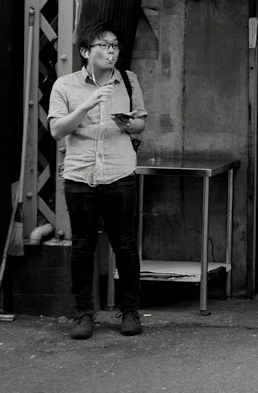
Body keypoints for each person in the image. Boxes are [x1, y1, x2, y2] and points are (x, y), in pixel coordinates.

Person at [46, 23, 148, 339]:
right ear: (85, 52)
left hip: (119, 173)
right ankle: (83, 314)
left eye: (115, 46)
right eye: (103, 46)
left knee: (126, 246)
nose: (111, 51)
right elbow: (57, 130)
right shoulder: (65, 86)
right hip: (80, 176)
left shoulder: (128, 81)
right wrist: (87, 105)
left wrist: (131, 124)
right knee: (82, 247)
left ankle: (129, 311)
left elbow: (142, 123)